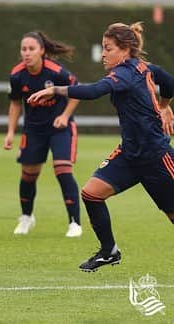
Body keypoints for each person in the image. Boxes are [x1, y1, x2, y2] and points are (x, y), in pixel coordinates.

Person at [28, 22, 174, 272]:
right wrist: (164, 104)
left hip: (156, 157)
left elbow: (94, 90)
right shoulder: (143, 68)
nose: (103, 54)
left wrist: (56, 90)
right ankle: (109, 252)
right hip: (129, 155)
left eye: (108, 49)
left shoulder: (126, 73)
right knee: (91, 193)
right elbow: (169, 81)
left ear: (125, 49)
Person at [4, 31, 82, 237]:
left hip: (60, 129)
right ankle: (26, 217)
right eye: (23, 49)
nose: (27, 53)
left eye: (31, 49)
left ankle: (75, 223)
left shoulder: (56, 72)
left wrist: (65, 116)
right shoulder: (17, 75)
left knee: (63, 169)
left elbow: (76, 92)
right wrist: (11, 132)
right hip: (34, 130)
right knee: (29, 175)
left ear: (42, 51)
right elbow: (14, 104)